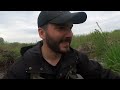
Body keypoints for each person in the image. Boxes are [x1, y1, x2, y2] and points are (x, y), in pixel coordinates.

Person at [3, 11, 120, 79]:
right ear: (42, 33)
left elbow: (104, 75)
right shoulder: (20, 69)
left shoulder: (76, 59)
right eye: (61, 28)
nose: (69, 34)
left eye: (70, 28)